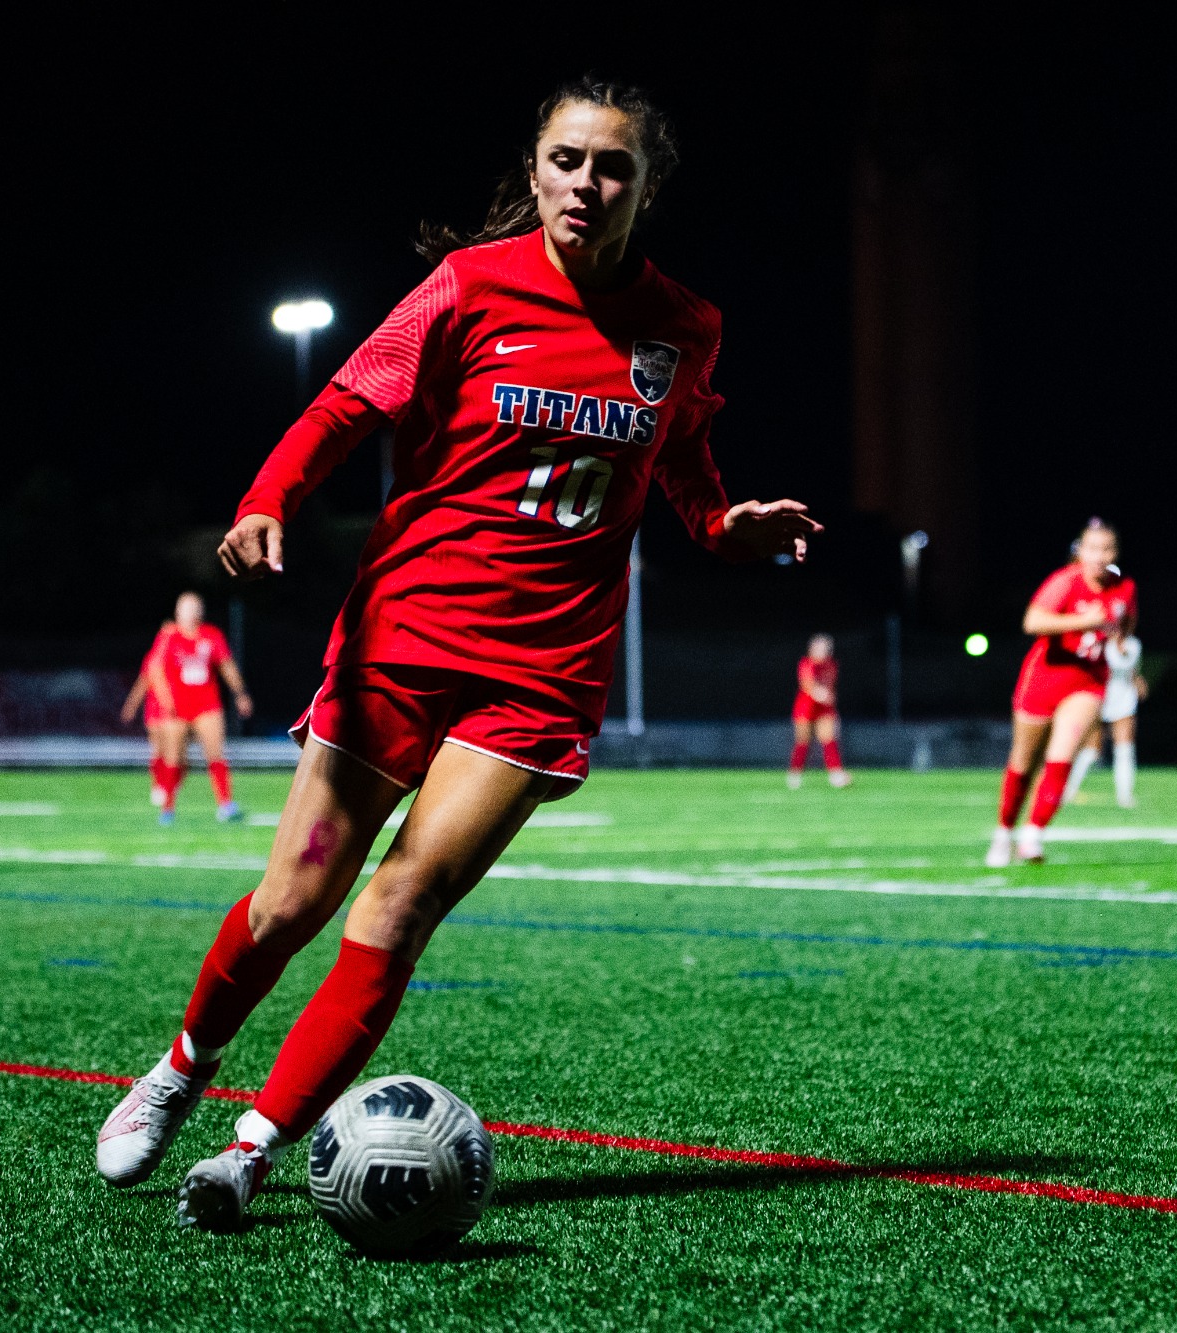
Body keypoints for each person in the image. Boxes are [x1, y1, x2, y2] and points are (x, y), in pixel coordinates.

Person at [91, 76, 819, 1231]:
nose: (588, 183)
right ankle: (181, 1068)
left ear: (645, 185)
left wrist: (725, 527)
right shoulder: (468, 286)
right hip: (404, 639)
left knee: (400, 903)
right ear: (532, 172)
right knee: (290, 903)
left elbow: (679, 470)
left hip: (539, 672)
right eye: (567, 159)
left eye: (612, 165)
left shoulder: (683, 326)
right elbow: (340, 405)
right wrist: (266, 496)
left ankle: (252, 1148)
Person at [985, 520, 1136, 867]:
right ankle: (1003, 832)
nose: (1100, 557)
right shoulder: (1065, 582)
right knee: (1023, 760)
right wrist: (1082, 623)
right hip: (1044, 678)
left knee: (1062, 756)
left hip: (1087, 683)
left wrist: (1119, 642)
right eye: (1092, 548)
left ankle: (1033, 834)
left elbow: (1125, 624)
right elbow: (1032, 622)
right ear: (1080, 551)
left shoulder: (1125, 587)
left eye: (1107, 549)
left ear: (1115, 553)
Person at [146, 593, 253, 825]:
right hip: (177, 709)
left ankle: (226, 805)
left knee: (216, 754)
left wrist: (240, 693)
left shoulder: (211, 635)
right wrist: (166, 701)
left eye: (195, 607)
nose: (191, 612)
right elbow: (154, 670)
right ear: (177, 612)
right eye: (185, 608)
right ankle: (168, 808)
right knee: (175, 759)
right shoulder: (169, 637)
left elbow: (226, 666)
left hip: (207, 705)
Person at [1062, 633, 1145, 808]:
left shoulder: (1133, 644)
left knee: (1124, 749)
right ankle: (1067, 790)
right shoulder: (1098, 642)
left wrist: (1138, 681)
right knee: (1091, 750)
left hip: (1124, 700)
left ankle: (1125, 796)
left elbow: (1132, 670)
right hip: (1099, 696)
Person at [119, 620, 175, 809]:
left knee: (173, 752)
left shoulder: (179, 655)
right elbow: (143, 682)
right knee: (159, 749)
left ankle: (168, 785)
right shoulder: (154, 657)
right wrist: (131, 704)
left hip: (175, 711)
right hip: (156, 709)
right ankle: (158, 785)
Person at [787, 633, 851, 789]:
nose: (824, 651)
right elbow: (807, 684)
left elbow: (830, 687)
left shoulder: (831, 665)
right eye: (820, 648)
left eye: (826, 648)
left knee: (829, 740)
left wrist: (830, 701)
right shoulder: (806, 663)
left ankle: (836, 774)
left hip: (824, 709)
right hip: (805, 708)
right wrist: (819, 694)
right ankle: (795, 774)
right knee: (803, 741)